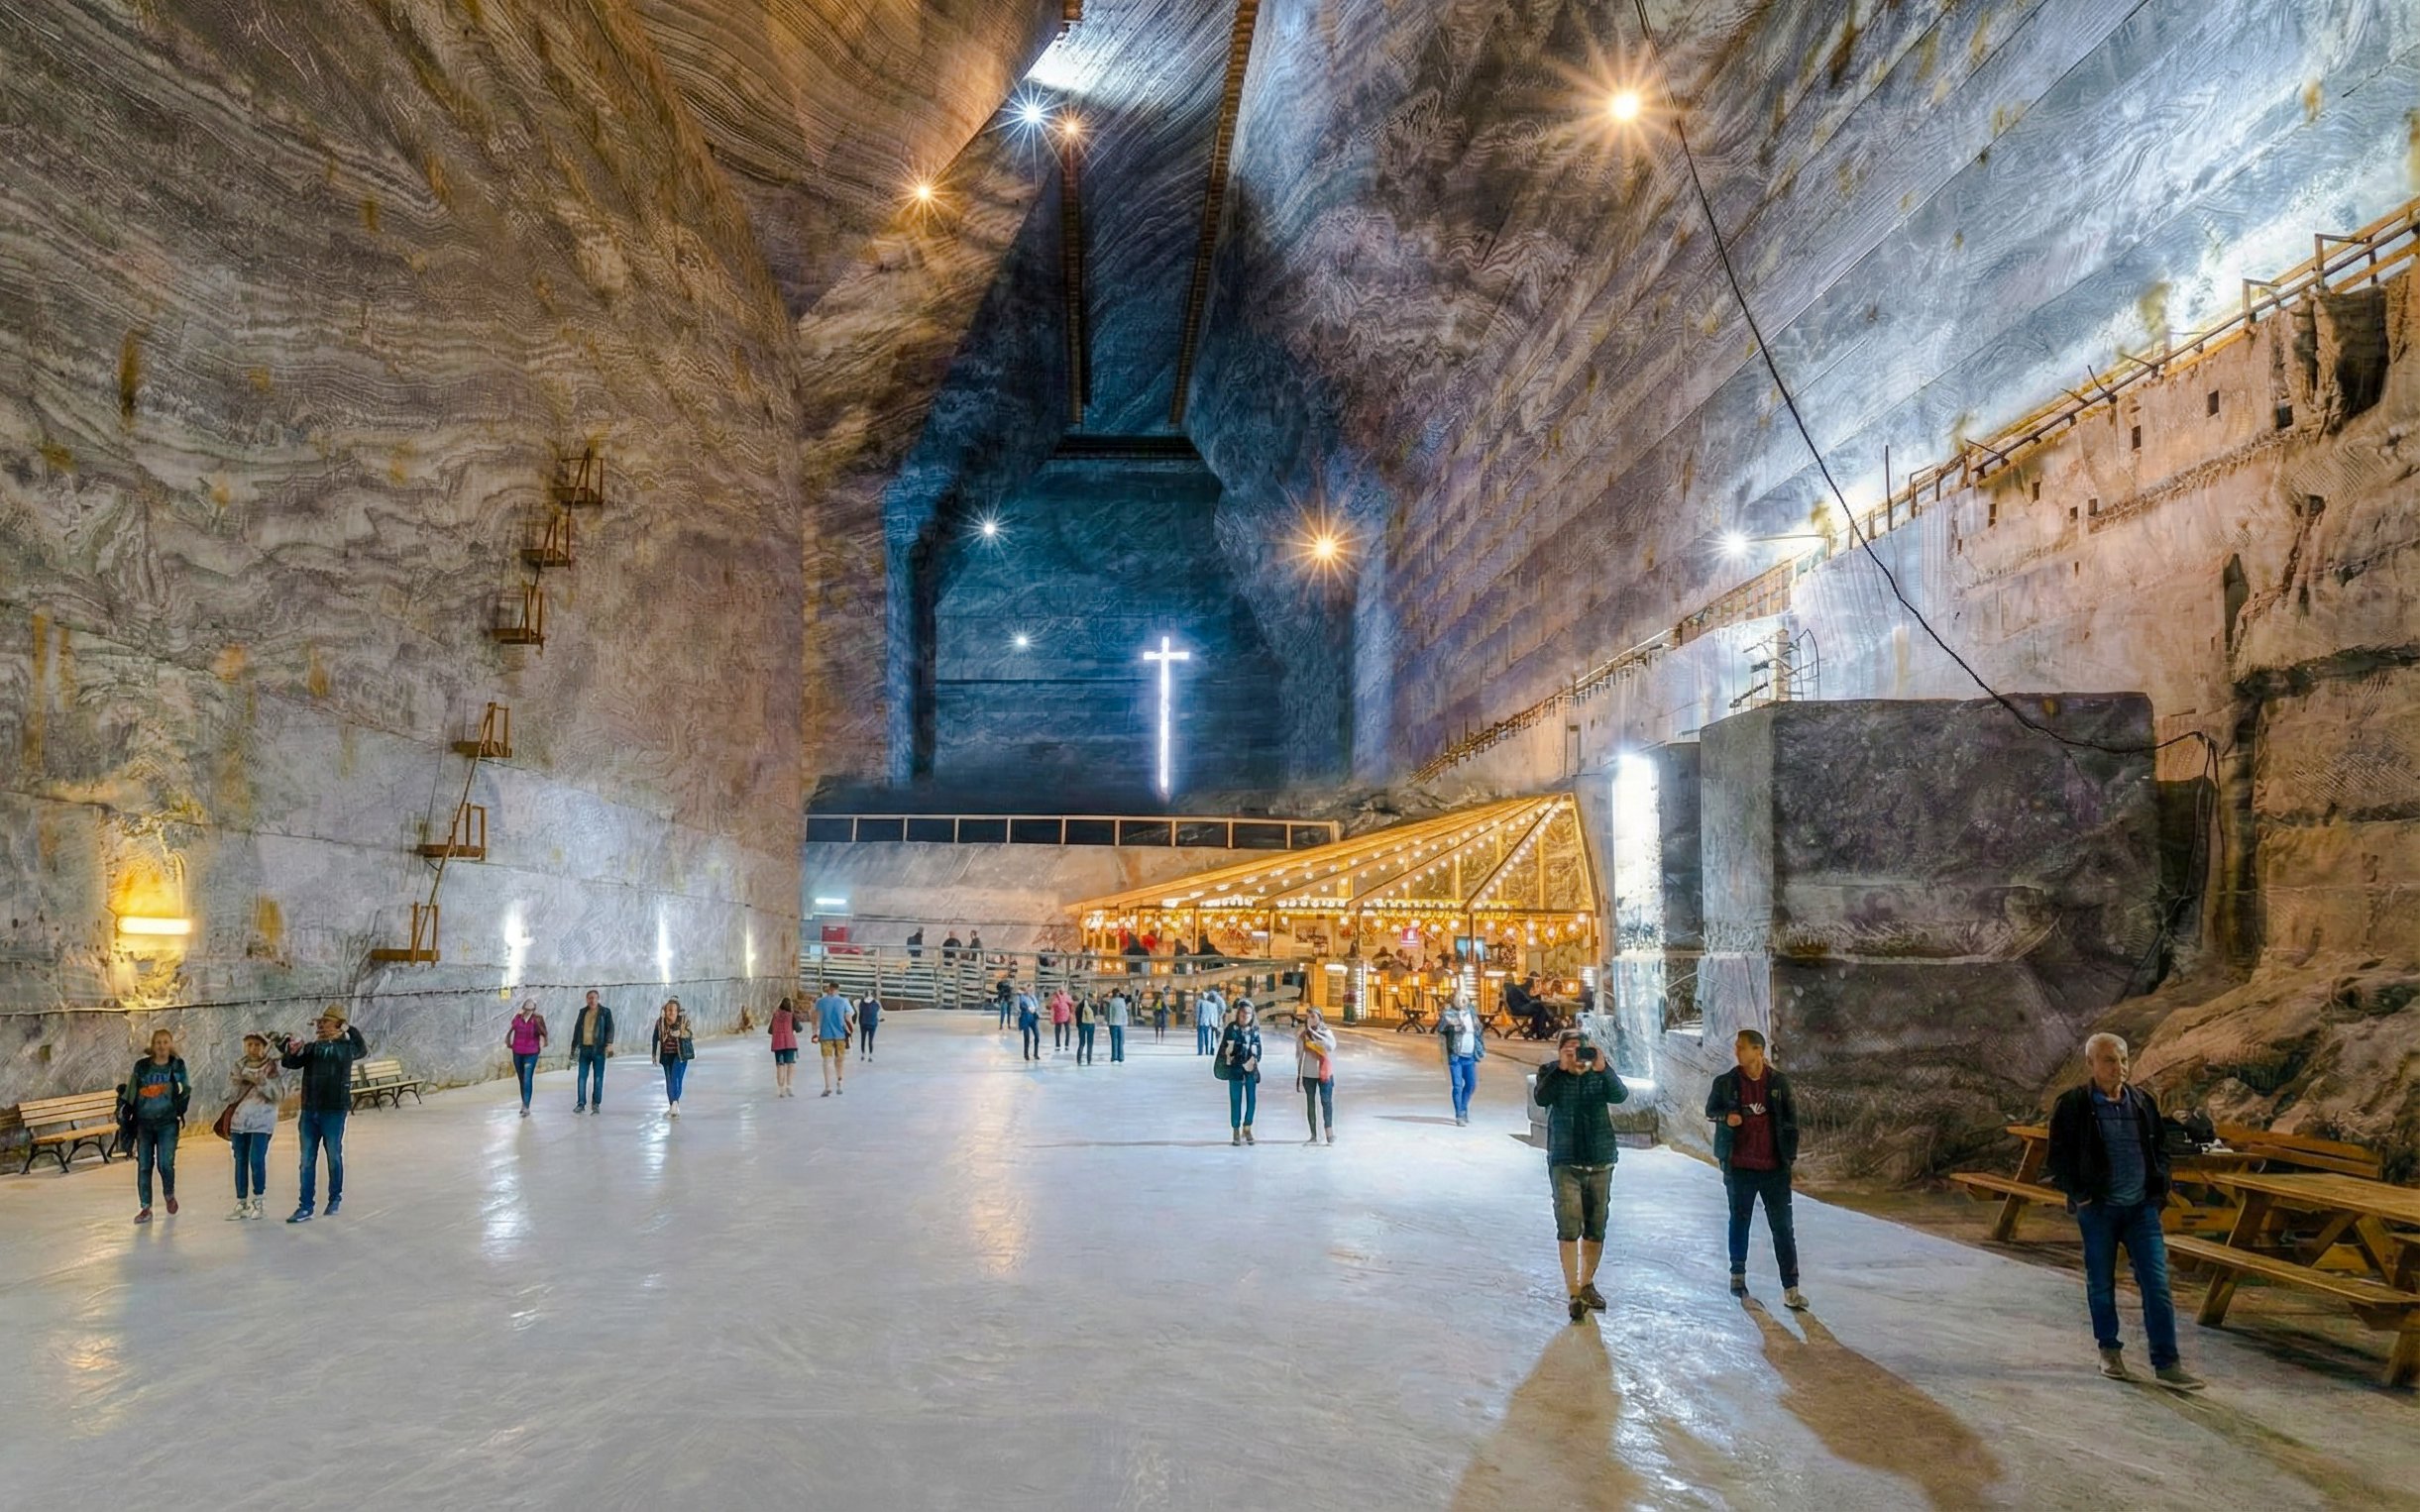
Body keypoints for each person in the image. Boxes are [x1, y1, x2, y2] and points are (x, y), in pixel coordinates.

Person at [2045, 1031, 2205, 1390]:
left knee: (2157, 1284)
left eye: (2123, 1059)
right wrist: (2081, 1194)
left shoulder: (2142, 1102)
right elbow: (2057, 1157)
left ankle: (2167, 1363)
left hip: (2141, 1211)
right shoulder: (2073, 1104)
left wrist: (2157, 1193)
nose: (2119, 1067)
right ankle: (2109, 1351)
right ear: (2091, 1065)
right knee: (2101, 1282)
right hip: (2099, 1209)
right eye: (2109, 1060)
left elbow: (2160, 1150)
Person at [1705, 1028, 1806, 1309]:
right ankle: (1737, 1275)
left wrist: (1788, 1158)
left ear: (1758, 1051)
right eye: (1737, 1047)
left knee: (1783, 1228)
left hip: (1774, 1168)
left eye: (1742, 1047)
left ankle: (1791, 1287)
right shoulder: (1726, 1083)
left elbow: (1791, 1121)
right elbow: (1710, 1110)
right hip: (1739, 1167)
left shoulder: (1779, 1083)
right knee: (1740, 1221)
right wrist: (1728, 1117)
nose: (1737, 1052)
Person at [1536, 1028, 1631, 1322]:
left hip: (1601, 1159)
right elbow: (1541, 1098)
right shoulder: (1551, 1072)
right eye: (1570, 1049)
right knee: (1568, 1225)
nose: (1577, 1054)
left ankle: (1587, 1282)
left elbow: (1620, 1095)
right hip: (1565, 1160)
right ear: (1560, 1051)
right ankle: (1573, 1291)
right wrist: (1562, 1070)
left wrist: (1604, 1069)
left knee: (1596, 1226)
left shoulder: (1599, 1074)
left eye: (1582, 1049)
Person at [281, 1005, 367, 1223]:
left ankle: (334, 1198)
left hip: (334, 1109)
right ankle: (305, 1206)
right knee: (307, 1159)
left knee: (333, 1155)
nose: (320, 1025)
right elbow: (291, 1063)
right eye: (319, 1023)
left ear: (338, 1024)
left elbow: (362, 1048)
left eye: (325, 1021)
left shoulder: (346, 1047)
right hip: (310, 1109)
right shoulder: (312, 1048)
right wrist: (290, 1050)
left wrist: (349, 1029)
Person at [126, 1027, 190, 1223]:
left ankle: (169, 1194)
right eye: (158, 1042)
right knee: (144, 1165)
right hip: (144, 1123)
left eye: (165, 1042)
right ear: (153, 1046)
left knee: (165, 1163)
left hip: (167, 1123)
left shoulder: (176, 1066)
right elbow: (131, 1090)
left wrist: (179, 1109)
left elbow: (185, 1089)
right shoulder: (142, 1066)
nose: (162, 1046)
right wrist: (126, 1111)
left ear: (170, 1044)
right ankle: (145, 1207)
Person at [224, 1032, 280, 1220]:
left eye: (257, 1045)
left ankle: (259, 1201)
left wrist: (262, 1082)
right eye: (249, 1044)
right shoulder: (238, 1066)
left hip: (261, 1120)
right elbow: (229, 1095)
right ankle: (241, 1202)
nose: (253, 1048)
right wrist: (237, 1083)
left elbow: (278, 1094)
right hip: (240, 1120)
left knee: (256, 1159)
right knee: (240, 1161)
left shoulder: (270, 1067)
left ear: (263, 1047)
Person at [1218, 1003, 1263, 1144]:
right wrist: (1234, 1056)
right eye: (1243, 1013)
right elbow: (1226, 1049)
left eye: (1248, 1013)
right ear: (1238, 1014)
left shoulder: (1254, 1030)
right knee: (1235, 1100)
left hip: (1250, 1071)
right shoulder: (1232, 1028)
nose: (1245, 1016)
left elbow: (1259, 1049)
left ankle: (1247, 1127)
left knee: (1252, 1101)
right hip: (1235, 1071)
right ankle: (1236, 1129)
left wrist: (1254, 1060)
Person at [1437, 997, 1485, 1126]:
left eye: (1464, 999)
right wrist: (1451, 1024)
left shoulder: (1472, 1013)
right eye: (1458, 999)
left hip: (1469, 1055)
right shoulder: (1449, 1015)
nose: (1461, 1002)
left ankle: (1463, 1108)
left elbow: (1479, 1030)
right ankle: (1459, 1114)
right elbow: (1441, 1029)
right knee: (1457, 1086)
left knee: (1471, 1084)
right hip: (1456, 1055)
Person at [1297, 1008, 1337, 1145]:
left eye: (1313, 1016)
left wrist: (1315, 1037)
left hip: (1324, 1073)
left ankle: (1329, 1132)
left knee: (1326, 1102)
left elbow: (1330, 1046)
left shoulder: (1326, 1033)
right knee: (1310, 1103)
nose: (1311, 1019)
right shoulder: (1303, 1035)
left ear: (1320, 1017)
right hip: (1309, 1073)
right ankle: (1313, 1134)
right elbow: (1298, 1054)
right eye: (1308, 1017)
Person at [571, 989, 613, 1114]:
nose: (592, 1000)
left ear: (598, 999)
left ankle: (596, 1104)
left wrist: (609, 1043)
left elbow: (610, 1028)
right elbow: (577, 1029)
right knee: (582, 1077)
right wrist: (574, 1047)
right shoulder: (582, 1012)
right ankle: (581, 1103)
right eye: (589, 997)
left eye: (594, 997)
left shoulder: (605, 1012)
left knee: (598, 1077)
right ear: (586, 999)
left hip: (598, 1049)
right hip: (584, 1049)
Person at [650, 999, 694, 1118]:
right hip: (666, 1055)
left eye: (673, 1010)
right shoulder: (660, 1023)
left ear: (677, 1011)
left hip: (680, 1055)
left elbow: (690, 1034)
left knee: (676, 1078)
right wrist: (654, 1054)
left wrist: (680, 1034)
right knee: (669, 1081)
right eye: (668, 1010)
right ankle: (673, 1105)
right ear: (665, 1010)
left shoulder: (683, 1021)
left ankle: (674, 1104)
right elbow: (655, 1038)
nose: (671, 1012)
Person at [506, 999, 548, 1117]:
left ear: (534, 1009)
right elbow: (513, 1027)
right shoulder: (518, 1018)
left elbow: (543, 1032)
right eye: (526, 1008)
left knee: (527, 1078)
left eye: (531, 1009)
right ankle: (524, 1102)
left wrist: (541, 1042)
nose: (528, 1011)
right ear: (523, 1008)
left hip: (531, 1052)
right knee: (521, 1078)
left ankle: (526, 1106)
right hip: (517, 1051)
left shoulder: (537, 1019)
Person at [814, 982, 854, 1095]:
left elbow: (814, 1016)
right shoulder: (844, 1001)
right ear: (838, 990)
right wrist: (850, 1031)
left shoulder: (820, 1001)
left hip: (825, 1034)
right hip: (840, 1035)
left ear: (829, 989)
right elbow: (849, 1016)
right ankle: (840, 1081)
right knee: (839, 1059)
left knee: (827, 1060)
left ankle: (827, 1086)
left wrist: (815, 1032)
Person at [768, 997, 801, 1097]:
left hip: (778, 1044)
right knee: (790, 1064)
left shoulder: (775, 1015)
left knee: (780, 1066)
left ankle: (781, 1089)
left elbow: (770, 1030)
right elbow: (799, 1028)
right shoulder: (791, 1016)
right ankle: (789, 1086)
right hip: (789, 1044)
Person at [1195, 986, 1224, 1055]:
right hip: (1211, 1023)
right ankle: (1209, 1051)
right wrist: (1216, 1023)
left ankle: (1200, 1051)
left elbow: (1198, 1013)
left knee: (1201, 1038)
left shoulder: (1200, 1002)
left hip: (1202, 1022)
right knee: (1210, 1037)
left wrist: (1197, 1022)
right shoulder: (1214, 1005)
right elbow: (1216, 1013)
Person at [1106, 990, 1131, 1063]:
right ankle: (1121, 1056)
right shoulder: (1122, 1001)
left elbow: (1109, 1013)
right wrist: (1126, 1021)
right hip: (1121, 1024)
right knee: (1121, 1040)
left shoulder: (1111, 1002)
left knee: (1114, 1041)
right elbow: (1124, 1012)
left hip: (1113, 1023)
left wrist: (1108, 1022)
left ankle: (1114, 1056)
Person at [1075, 994, 1099, 1066]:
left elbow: (1077, 1015)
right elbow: (1096, 1014)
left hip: (1082, 1024)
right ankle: (1089, 1060)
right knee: (1090, 1043)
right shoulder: (1093, 1005)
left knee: (1081, 1043)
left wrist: (1078, 1025)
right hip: (1091, 1024)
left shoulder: (1080, 1006)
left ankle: (1079, 1059)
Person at [1018, 992, 1042, 1061]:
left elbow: (1037, 1006)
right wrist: (1028, 1008)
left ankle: (1036, 1053)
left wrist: (1035, 1009)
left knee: (1037, 1036)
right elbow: (1021, 1006)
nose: (1030, 991)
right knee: (1026, 1037)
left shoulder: (1033, 997)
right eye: (1029, 989)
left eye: (1031, 989)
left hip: (1033, 1018)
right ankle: (1026, 1054)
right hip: (1025, 1017)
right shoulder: (1022, 997)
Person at [857, 994, 882, 1060]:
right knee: (870, 1040)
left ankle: (863, 1054)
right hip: (873, 1024)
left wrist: (860, 1023)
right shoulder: (876, 1004)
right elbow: (877, 1012)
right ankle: (870, 1056)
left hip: (863, 1024)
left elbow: (860, 1013)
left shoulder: (861, 1004)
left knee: (863, 1039)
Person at [1049, 986, 1074, 1052]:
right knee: (1067, 1031)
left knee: (1058, 1031)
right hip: (1065, 1015)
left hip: (1059, 1016)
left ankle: (1058, 1045)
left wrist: (1052, 1017)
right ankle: (1066, 1045)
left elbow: (1053, 1007)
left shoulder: (1055, 997)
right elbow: (1071, 1005)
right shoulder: (1067, 997)